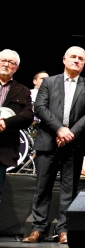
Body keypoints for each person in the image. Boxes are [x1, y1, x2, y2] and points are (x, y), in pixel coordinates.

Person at [22, 47, 85, 244]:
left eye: (80, 59)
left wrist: (70, 133)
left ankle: (64, 229)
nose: (76, 61)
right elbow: (40, 107)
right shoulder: (48, 82)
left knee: (69, 189)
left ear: (84, 63)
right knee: (43, 187)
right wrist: (59, 129)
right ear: (64, 59)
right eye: (73, 57)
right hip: (49, 141)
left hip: (73, 144)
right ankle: (38, 229)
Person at [0, 50, 34, 203]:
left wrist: (5, 123)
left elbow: (28, 116)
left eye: (11, 62)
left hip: (3, 149)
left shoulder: (23, 91)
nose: (6, 64)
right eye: (3, 60)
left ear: (16, 68)